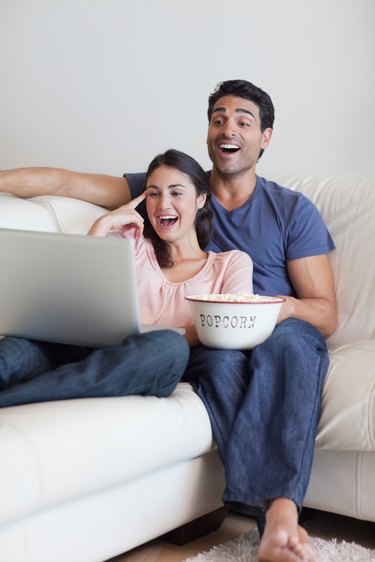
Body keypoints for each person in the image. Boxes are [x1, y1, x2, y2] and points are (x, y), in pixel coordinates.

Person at [0, 80, 337, 562]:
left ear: (265, 137)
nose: (228, 128)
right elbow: (65, 183)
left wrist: (267, 308)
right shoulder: (169, 187)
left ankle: (279, 516)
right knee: (28, 344)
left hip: (256, 324)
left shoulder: (289, 211)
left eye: (244, 120)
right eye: (218, 118)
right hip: (161, 339)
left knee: (278, 344)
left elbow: (324, 312)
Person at [0, 149, 252, 408]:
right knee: (18, 349)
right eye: (154, 193)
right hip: (85, 347)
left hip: (147, 359)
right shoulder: (130, 243)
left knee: (169, 346)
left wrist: (154, 335)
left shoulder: (231, 263)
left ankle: (10, 399)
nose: (163, 204)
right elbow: (72, 293)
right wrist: (103, 224)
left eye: (176, 193)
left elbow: (228, 327)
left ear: (201, 198)